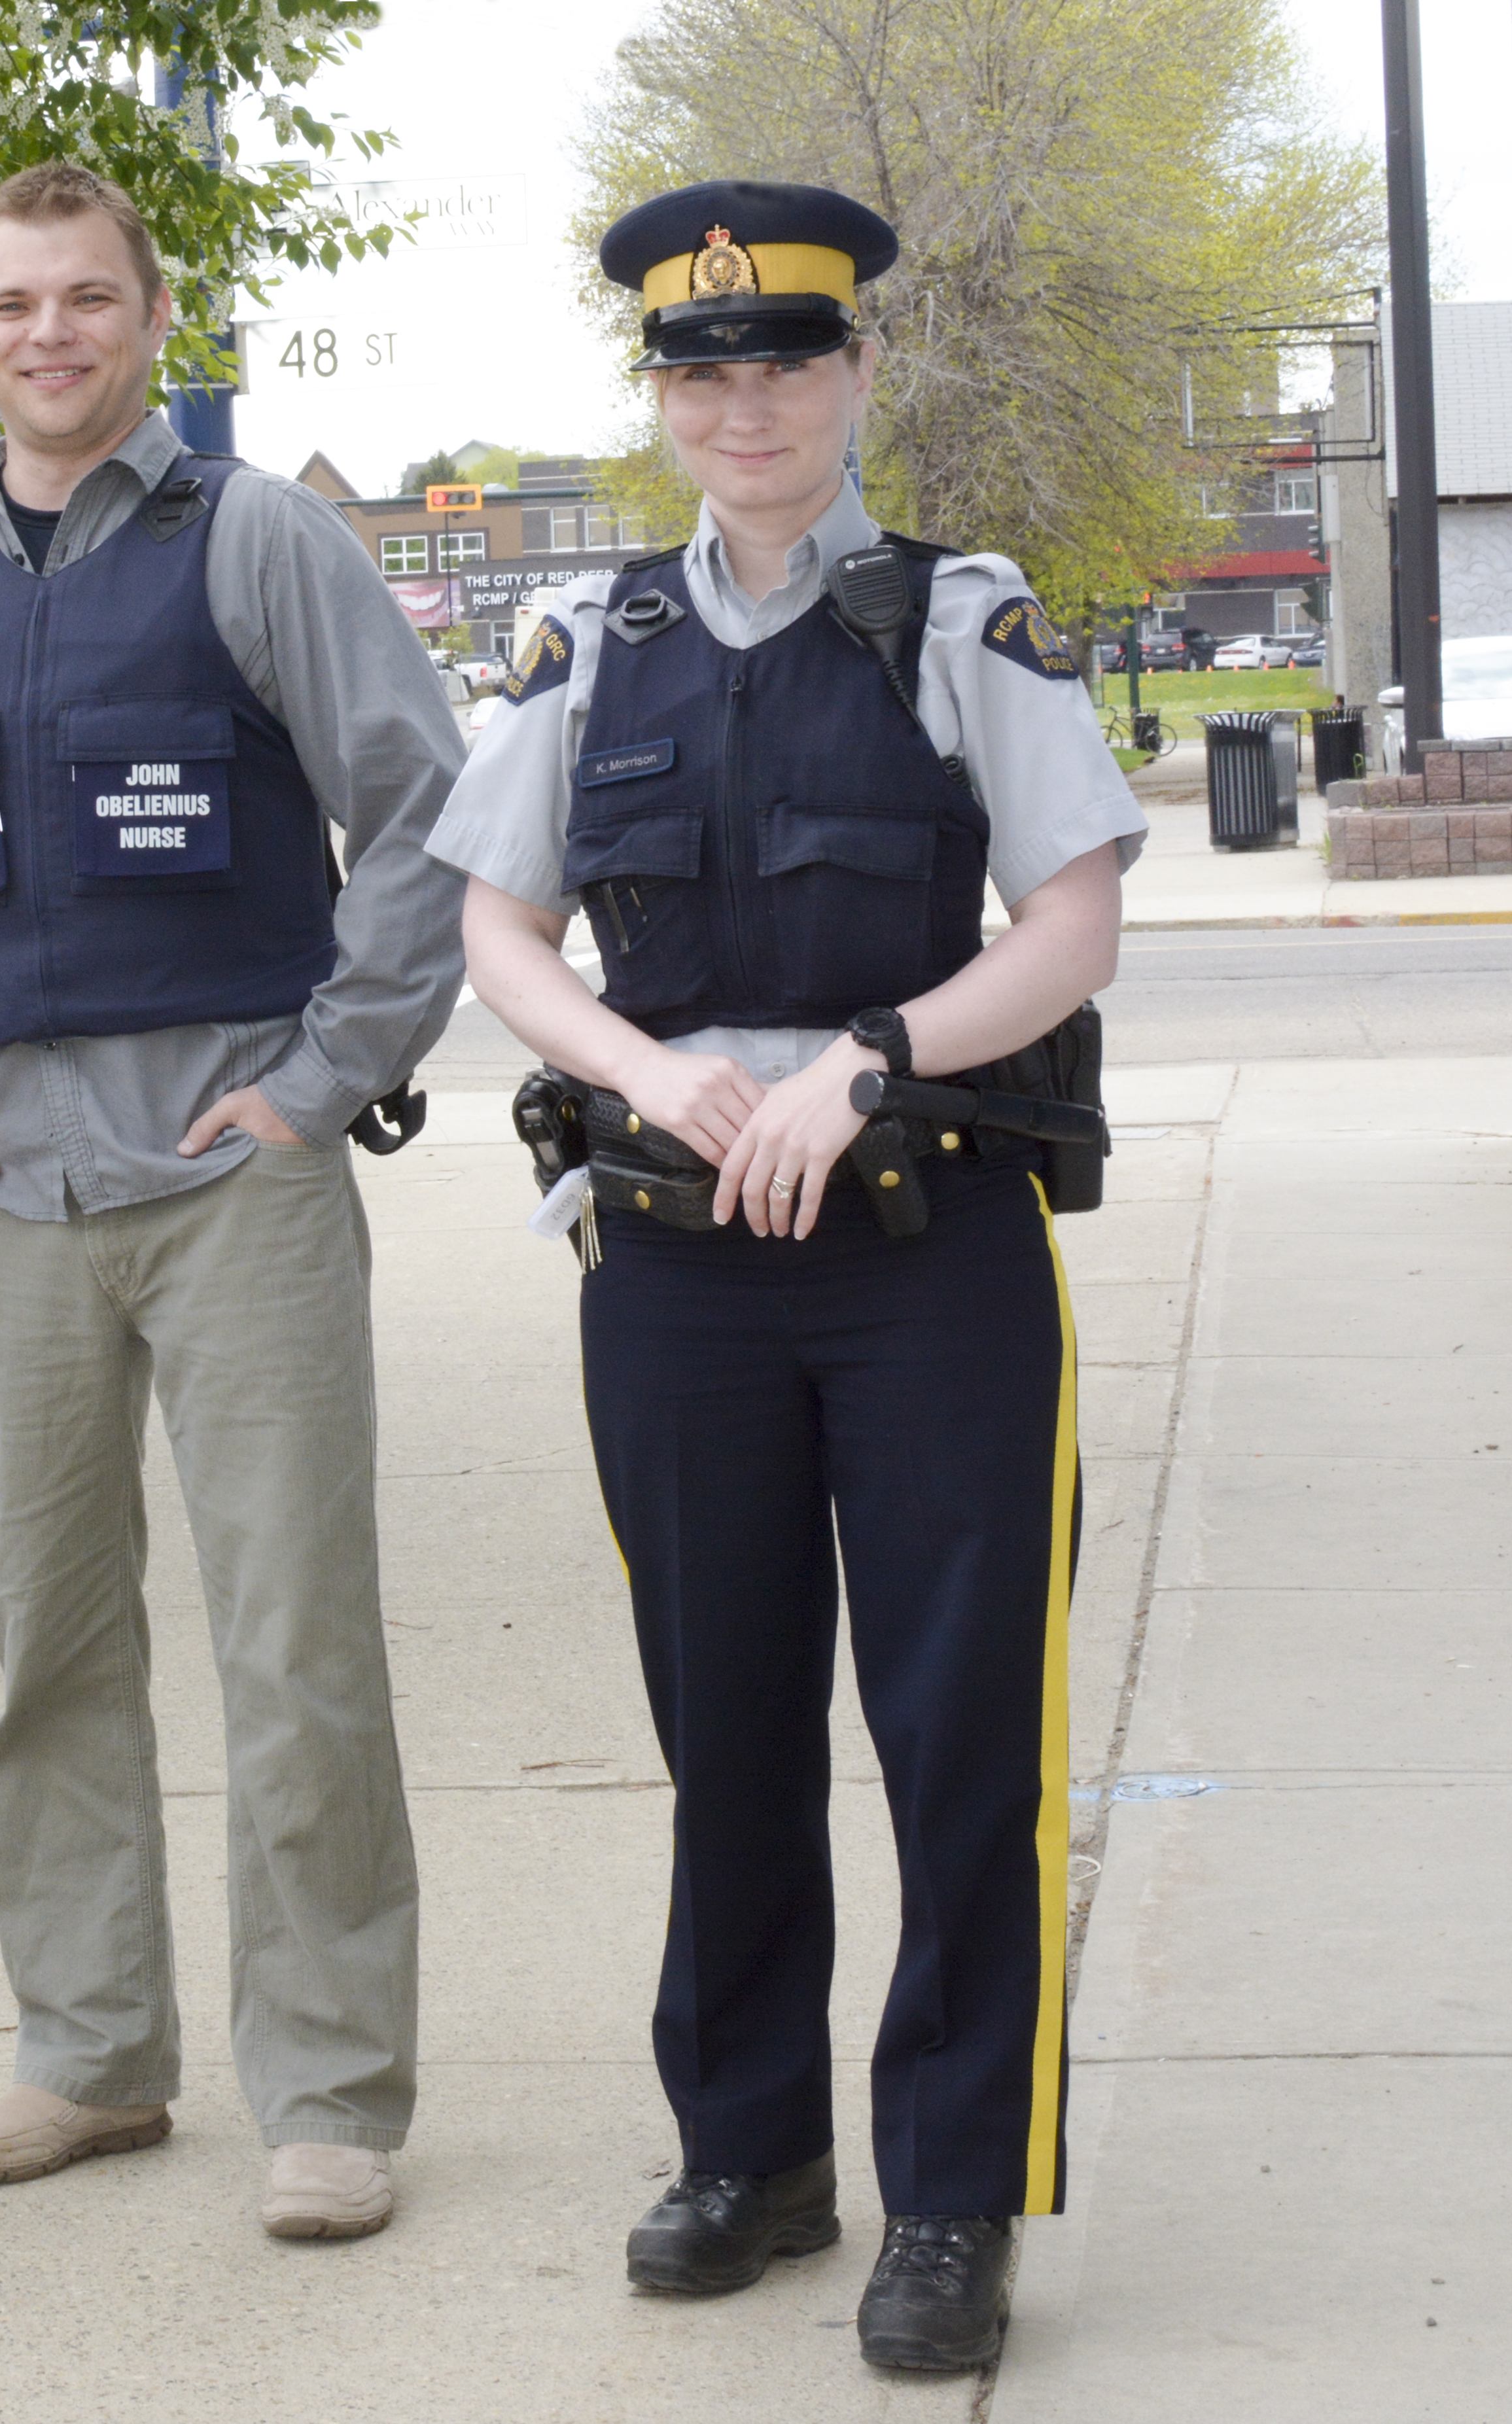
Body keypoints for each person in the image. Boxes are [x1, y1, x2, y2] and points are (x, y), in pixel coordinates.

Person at [431, 181, 1145, 2374]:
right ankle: (748, 2149)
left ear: (856, 377)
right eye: (701, 373)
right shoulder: (592, 644)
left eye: (788, 365)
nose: (746, 406)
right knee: (722, 1724)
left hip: (928, 1254)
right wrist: (649, 1074)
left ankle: (946, 2191)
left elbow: (1075, 914)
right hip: (672, 1265)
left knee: (956, 1738)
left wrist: (879, 1056)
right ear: (661, 404)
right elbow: (496, 937)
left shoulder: (960, 619)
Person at [0, 162, 468, 2241]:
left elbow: (422, 811)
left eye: (86, 299)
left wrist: (327, 1077)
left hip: (229, 1180)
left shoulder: (258, 540)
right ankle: (88, 2052)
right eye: (10, 307)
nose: (48, 335)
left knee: (295, 1643)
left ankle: (329, 2086)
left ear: (154, 316)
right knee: (43, 1647)